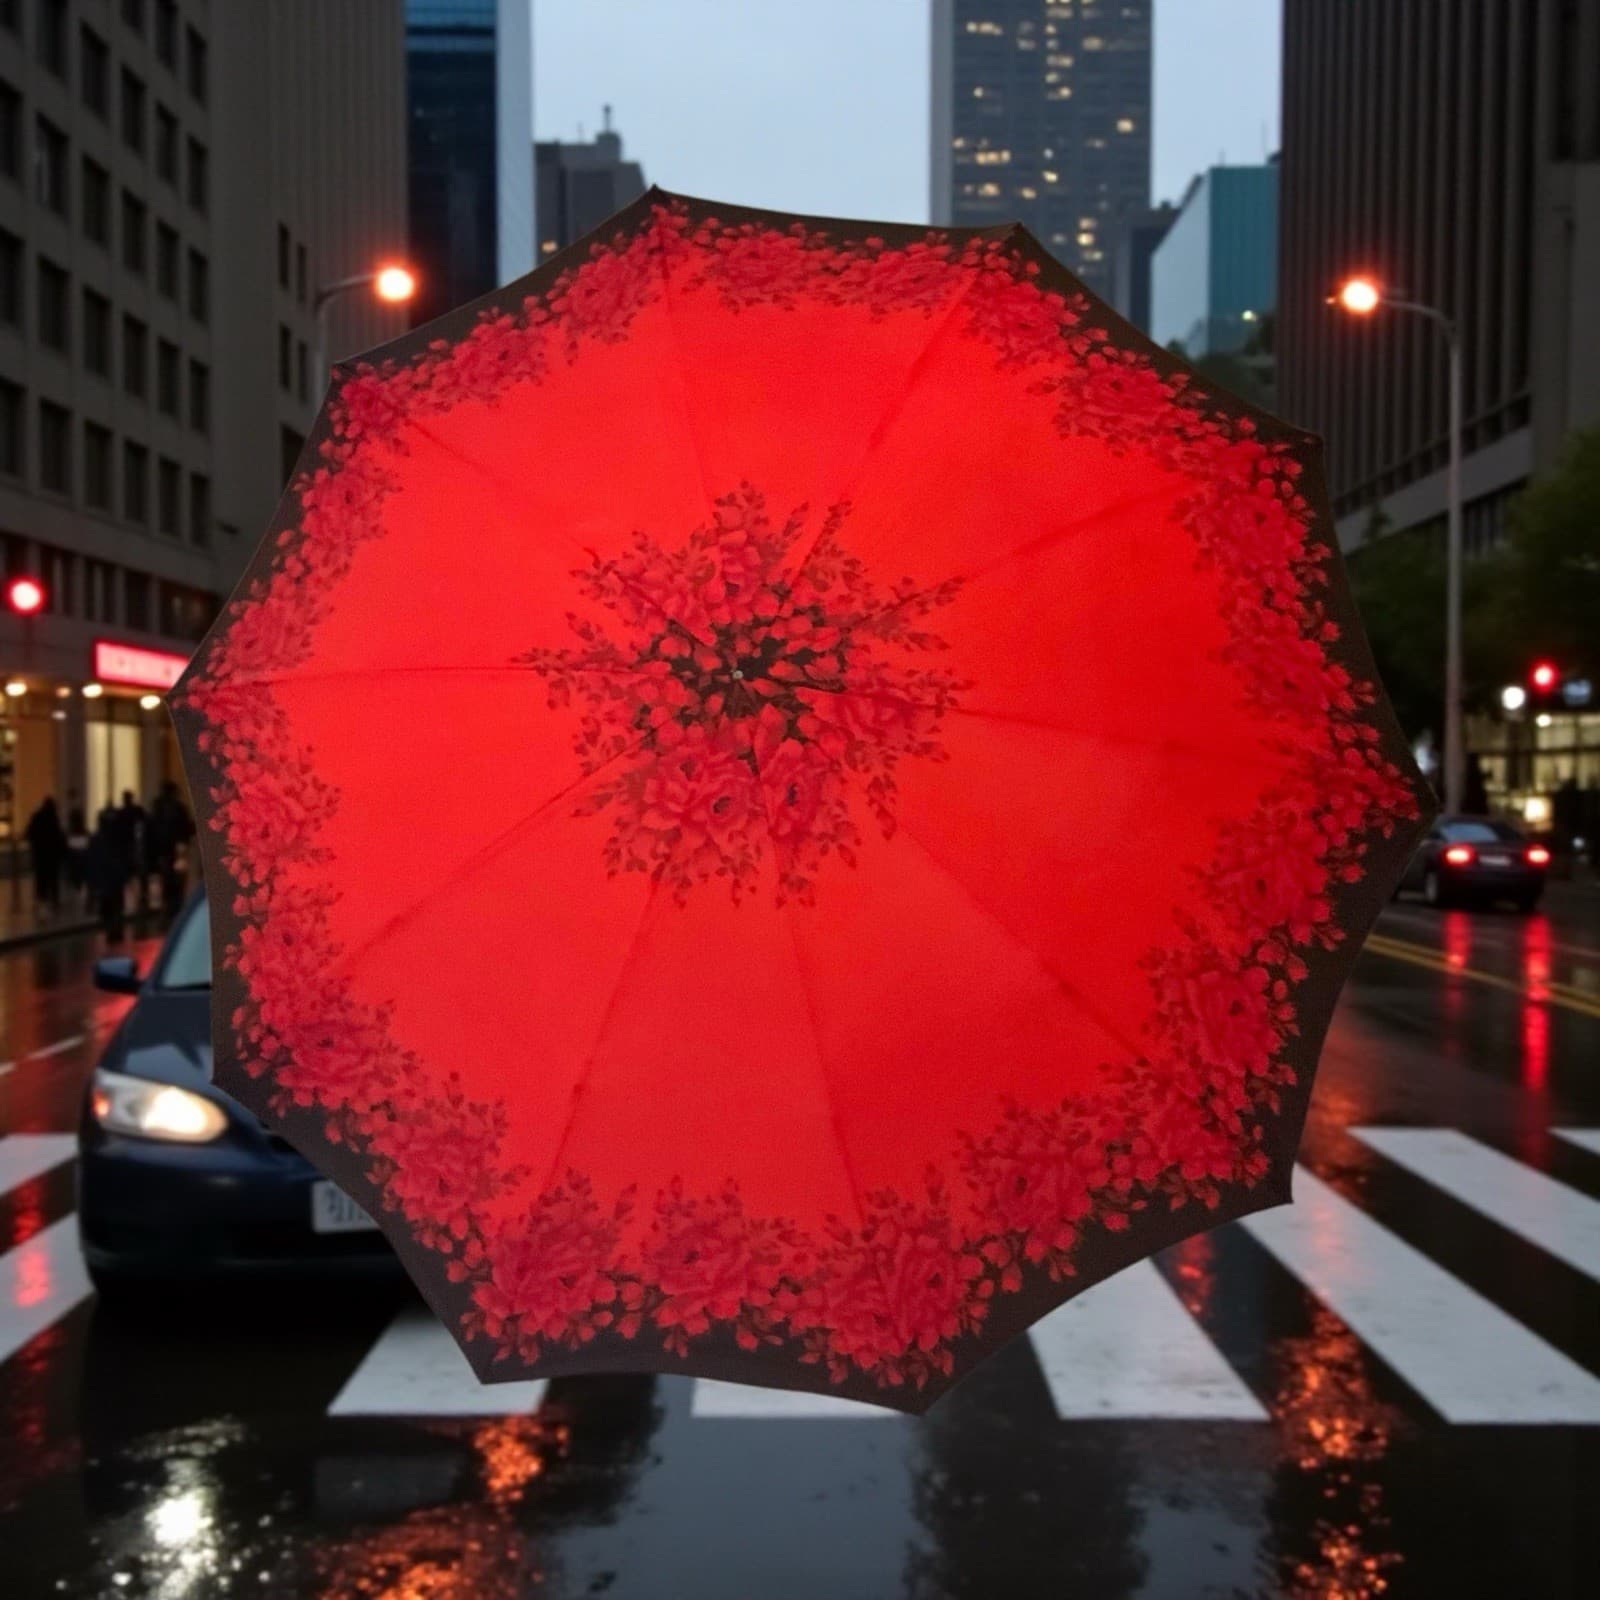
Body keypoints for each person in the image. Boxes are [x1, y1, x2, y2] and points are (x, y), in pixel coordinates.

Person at [145, 780, 196, 916]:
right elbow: (188, 829)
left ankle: (169, 908)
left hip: (161, 852)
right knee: (177, 883)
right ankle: (175, 908)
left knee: (167, 882)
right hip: (177, 851)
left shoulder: (156, 808)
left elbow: (150, 831)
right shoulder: (178, 808)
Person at [84, 805, 129, 943]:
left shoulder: (106, 839)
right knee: (111, 910)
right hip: (110, 882)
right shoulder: (112, 839)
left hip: (109, 882)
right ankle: (113, 933)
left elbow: (92, 862)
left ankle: (114, 933)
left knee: (111, 910)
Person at [24, 797, 67, 915]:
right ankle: (54, 900)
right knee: (53, 879)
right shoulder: (54, 818)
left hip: (40, 855)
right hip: (52, 856)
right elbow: (59, 838)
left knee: (41, 879)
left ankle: (41, 900)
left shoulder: (37, 817)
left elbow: (28, 833)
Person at [113, 790, 147, 911]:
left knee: (136, 874)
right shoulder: (133, 812)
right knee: (136, 874)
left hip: (131, 848)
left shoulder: (126, 813)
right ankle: (140, 896)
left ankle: (140, 896)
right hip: (130, 848)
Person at [64, 789, 90, 907]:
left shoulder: (73, 811)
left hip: (76, 842)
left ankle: (76, 884)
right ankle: (78, 884)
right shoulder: (76, 811)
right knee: (79, 866)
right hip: (79, 843)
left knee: (75, 867)